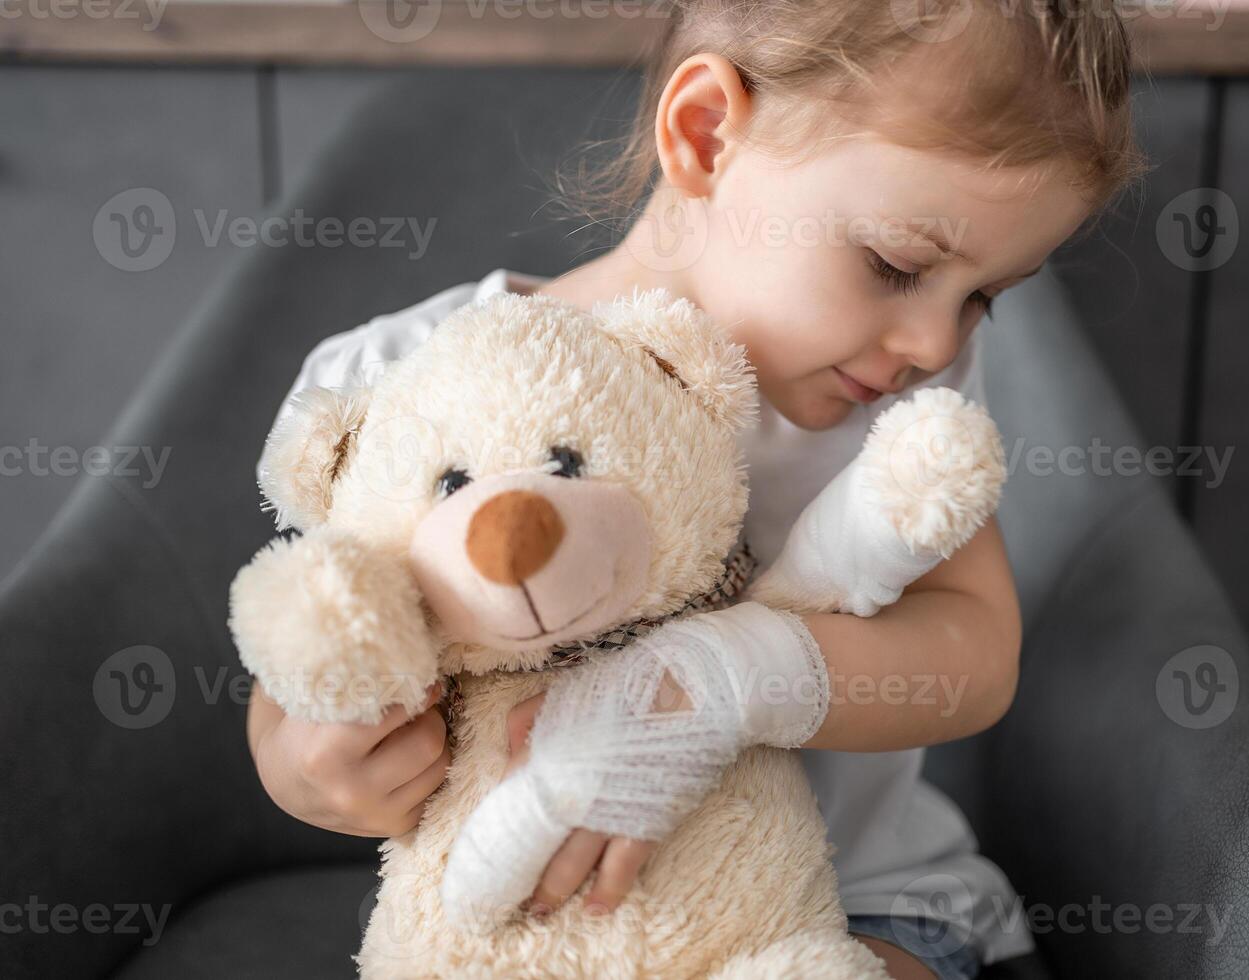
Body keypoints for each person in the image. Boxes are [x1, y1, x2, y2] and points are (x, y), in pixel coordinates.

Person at [245, 3, 1144, 976]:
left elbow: (974, 651)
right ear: (706, 134)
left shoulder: (896, 403)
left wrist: (723, 681)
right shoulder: (403, 385)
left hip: (860, 903)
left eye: (982, 296)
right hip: (530, 931)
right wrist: (306, 767)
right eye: (897, 264)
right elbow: (305, 664)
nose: (936, 342)